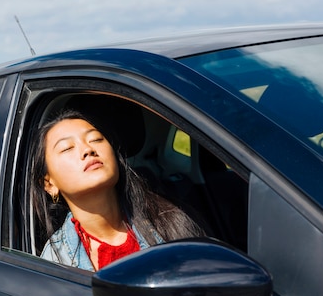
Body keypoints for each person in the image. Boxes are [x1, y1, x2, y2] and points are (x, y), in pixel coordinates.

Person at [29, 108, 205, 271]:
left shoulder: (170, 220)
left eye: (96, 139)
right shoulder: (56, 260)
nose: (88, 149)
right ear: (49, 184)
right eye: (67, 148)